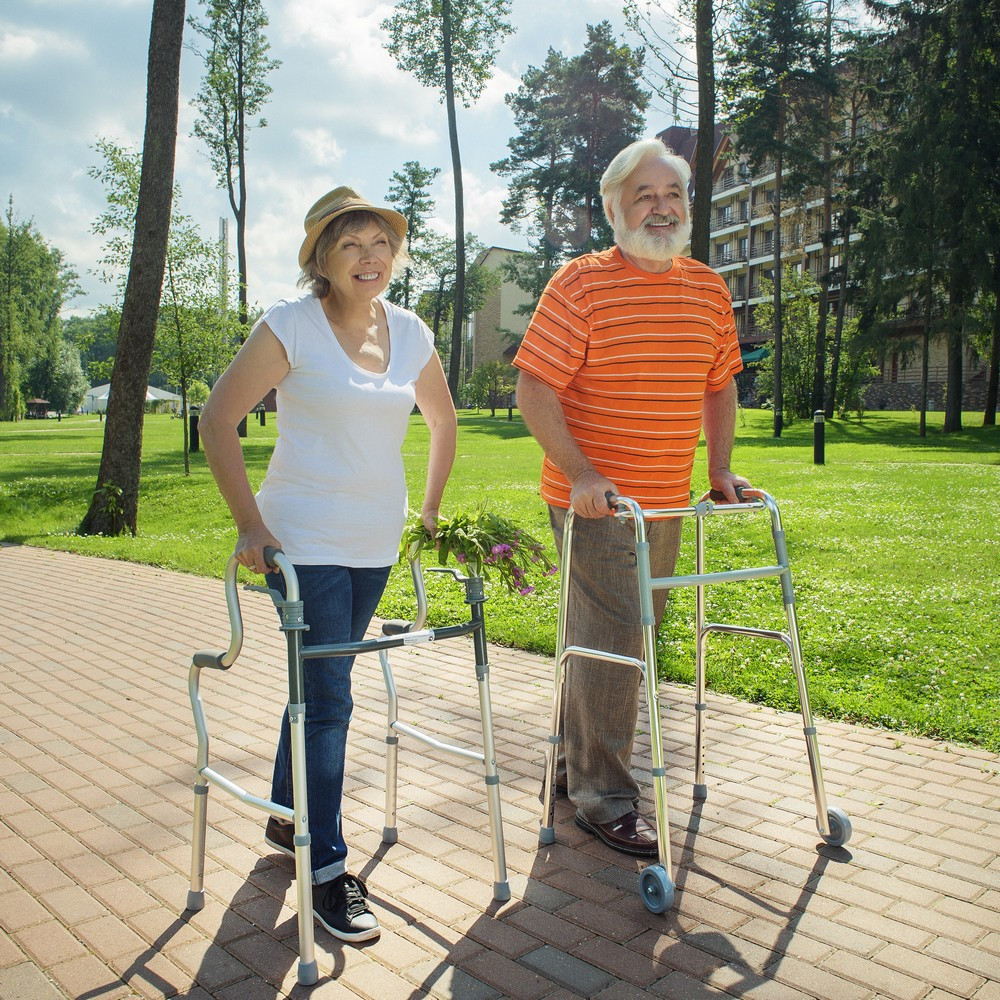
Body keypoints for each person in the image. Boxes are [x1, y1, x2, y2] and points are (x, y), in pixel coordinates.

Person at [199, 186, 457, 940]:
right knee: (332, 697)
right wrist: (251, 525)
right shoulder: (290, 327)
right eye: (351, 244)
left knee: (319, 683)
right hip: (303, 539)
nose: (369, 256)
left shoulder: (410, 333)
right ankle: (326, 867)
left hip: (374, 539)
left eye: (380, 242)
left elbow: (442, 420)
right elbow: (218, 419)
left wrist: (432, 511)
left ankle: (287, 819)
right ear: (323, 259)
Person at [514, 138, 750, 857]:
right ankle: (604, 797)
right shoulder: (582, 284)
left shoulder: (708, 288)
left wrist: (720, 471)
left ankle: (571, 767)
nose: (661, 206)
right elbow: (535, 387)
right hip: (596, 501)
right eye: (644, 195)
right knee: (616, 637)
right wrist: (583, 473)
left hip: (666, 499)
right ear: (614, 209)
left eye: (672, 194)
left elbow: (720, 384)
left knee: (617, 636)